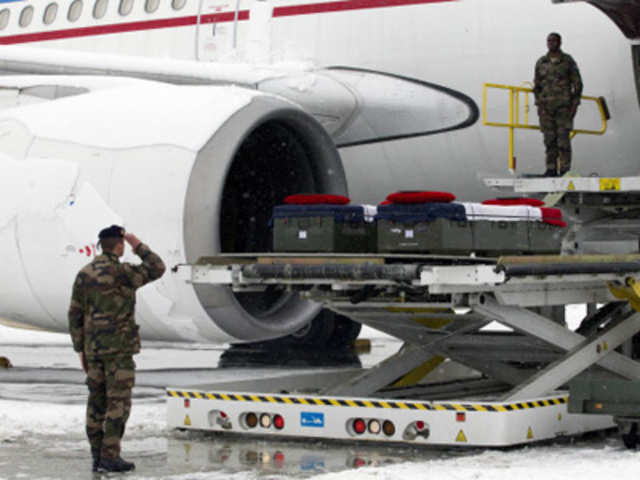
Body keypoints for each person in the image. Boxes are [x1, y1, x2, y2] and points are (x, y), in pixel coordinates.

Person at [68, 225, 165, 473]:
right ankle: (110, 456)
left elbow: (75, 315)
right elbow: (157, 267)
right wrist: (138, 244)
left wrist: (81, 349)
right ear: (119, 246)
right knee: (118, 403)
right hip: (119, 351)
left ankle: (96, 456)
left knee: (96, 403)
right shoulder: (123, 272)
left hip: (93, 350)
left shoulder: (85, 274)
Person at [533, 32, 583, 176]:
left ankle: (565, 169)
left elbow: (578, 84)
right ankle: (551, 168)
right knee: (549, 140)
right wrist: (539, 104)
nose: (551, 43)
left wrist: (574, 104)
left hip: (563, 108)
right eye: (548, 40)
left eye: (554, 40)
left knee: (563, 141)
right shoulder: (541, 62)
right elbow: (536, 85)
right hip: (546, 109)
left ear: (559, 42)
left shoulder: (567, 61)